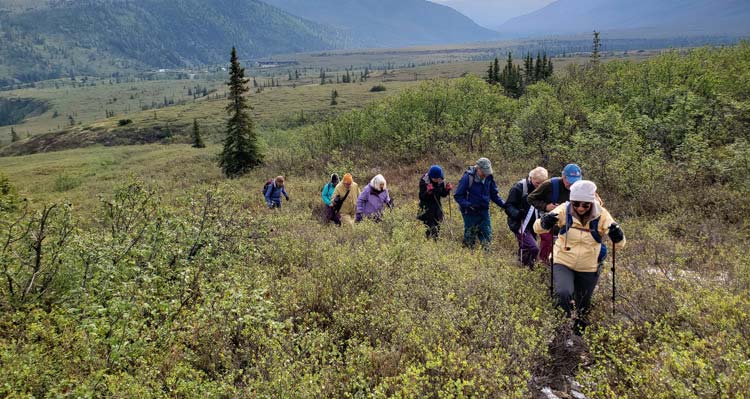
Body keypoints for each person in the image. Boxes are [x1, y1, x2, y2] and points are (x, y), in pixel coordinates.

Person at [534, 180, 625, 335]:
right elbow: (537, 228)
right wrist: (545, 222)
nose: (580, 208)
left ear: (591, 203)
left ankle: (578, 336)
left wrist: (618, 236)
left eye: (585, 205)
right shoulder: (564, 209)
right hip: (563, 261)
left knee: (583, 305)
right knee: (563, 293)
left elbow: (620, 244)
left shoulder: (602, 215)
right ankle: (561, 330)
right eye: (576, 204)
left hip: (589, 266)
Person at [527, 163, 582, 264]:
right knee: (547, 244)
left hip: (568, 224)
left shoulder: (581, 187)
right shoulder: (550, 185)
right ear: (563, 176)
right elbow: (531, 198)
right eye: (569, 181)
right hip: (548, 222)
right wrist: (546, 206)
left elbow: (595, 202)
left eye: (575, 182)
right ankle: (542, 267)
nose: (572, 185)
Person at [453, 157, 506, 249]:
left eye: (487, 171)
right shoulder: (467, 178)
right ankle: (469, 256)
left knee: (487, 235)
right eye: (483, 172)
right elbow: (458, 196)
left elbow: (494, 194)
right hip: (470, 212)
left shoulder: (489, 177)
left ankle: (487, 258)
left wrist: (505, 205)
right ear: (478, 168)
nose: (485, 174)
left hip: (484, 211)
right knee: (470, 236)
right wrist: (469, 205)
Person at [505, 166, 548, 267]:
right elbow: (508, 206)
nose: (539, 186)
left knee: (525, 246)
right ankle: (533, 265)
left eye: (542, 183)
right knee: (534, 248)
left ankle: (525, 266)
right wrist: (516, 213)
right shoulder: (519, 188)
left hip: (534, 223)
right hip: (520, 223)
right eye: (537, 183)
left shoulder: (544, 188)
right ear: (531, 178)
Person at [418, 165, 453, 239]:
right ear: (431, 176)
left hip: (437, 207)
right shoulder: (424, 181)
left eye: (438, 178)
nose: (437, 180)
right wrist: (428, 192)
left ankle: (435, 242)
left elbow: (442, 194)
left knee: (438, 226)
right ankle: (427, 242)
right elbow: (421, 197)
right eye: (435, 178)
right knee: (430, 227)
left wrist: (446, 190)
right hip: (426, 208)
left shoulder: (441, 179)